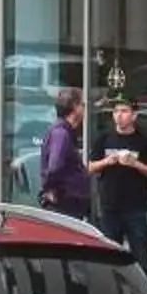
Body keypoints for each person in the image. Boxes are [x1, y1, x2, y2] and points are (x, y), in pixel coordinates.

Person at [88, 97, 147, 275]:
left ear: (134, 115)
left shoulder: (143, 141)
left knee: (141, 256)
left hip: (135, 208)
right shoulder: (104, 138)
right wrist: (107, 161)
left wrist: (135, 164)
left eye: (124, 111)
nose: (119, 116)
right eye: (116, 112)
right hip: (109, 206)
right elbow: (90, 167)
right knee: (109, 256)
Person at [37, 87, 90, 217]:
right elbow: (55, 166)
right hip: (64, 204)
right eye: (82, 104)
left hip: (70, 203)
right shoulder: (61, 133)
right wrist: (49, 189)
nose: (84, 109)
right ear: (75, 107)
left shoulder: (65, 132)